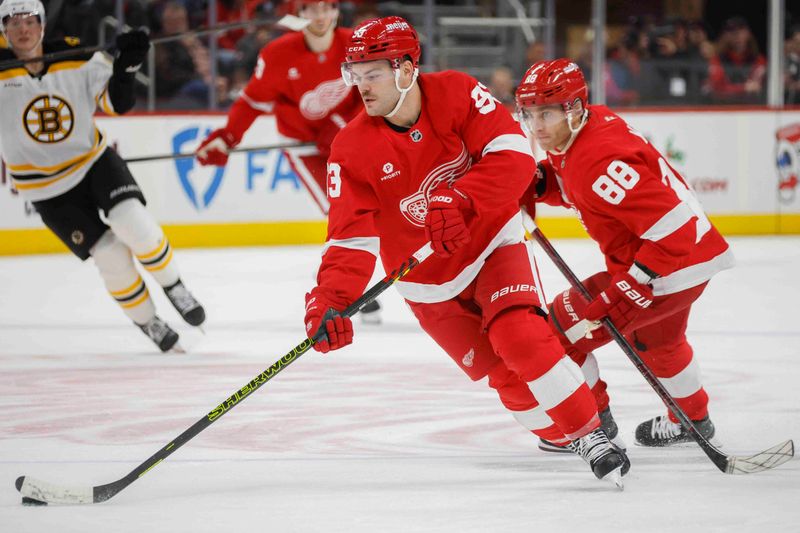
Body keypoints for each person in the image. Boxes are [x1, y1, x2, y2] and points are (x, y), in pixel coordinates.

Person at [303, 16, 629, 486]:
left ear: (405, 69)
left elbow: (513, 155)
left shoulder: (456, 92)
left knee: (519, 336)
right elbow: (350, 238)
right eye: (356, 75)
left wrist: (463, 197)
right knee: (506, 380)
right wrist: (330, 300)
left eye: (371, 73)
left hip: (491, 242)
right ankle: (568, 423)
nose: (362, 88)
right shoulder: (350, 147)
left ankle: (591, 431)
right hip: (425, 282)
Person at [515, 59, 735, 449]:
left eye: (546, 114)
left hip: (664, 267)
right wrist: (536, 181)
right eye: (530, 115)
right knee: (660, 344)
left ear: (574, 109)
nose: (537, 127)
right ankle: (693, 419)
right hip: (691, 261)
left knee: (555, 333)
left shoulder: (598, 158)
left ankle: (591, 422)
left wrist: (630, 287)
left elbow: (674, 229)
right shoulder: (590, 127)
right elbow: (580, 188)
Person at [0, 0, 205, 352]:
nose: (23, 29)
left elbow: (118, 103)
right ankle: (148, 321)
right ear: (3, 29)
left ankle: (174, 285)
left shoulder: (76, 55)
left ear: (43, 24)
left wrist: (127, 65)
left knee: (135, 223)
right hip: (45, 188)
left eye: (30, 20)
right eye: (13, 22)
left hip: (94, 162)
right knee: (110, 255)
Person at [195, 0, 382, 323]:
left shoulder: (355, 45)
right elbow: (252, 100)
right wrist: (227, 138)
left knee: (377, 207)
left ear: (337, 10)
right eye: (312, 9)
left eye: (328, 8)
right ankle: (340, 284)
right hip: (304, 146)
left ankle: (338, 272)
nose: (321, 17)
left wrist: (344, 127)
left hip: (352, 141)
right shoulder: (278, 54)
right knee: (344, 211)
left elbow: (376, 92)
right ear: (300, 14)